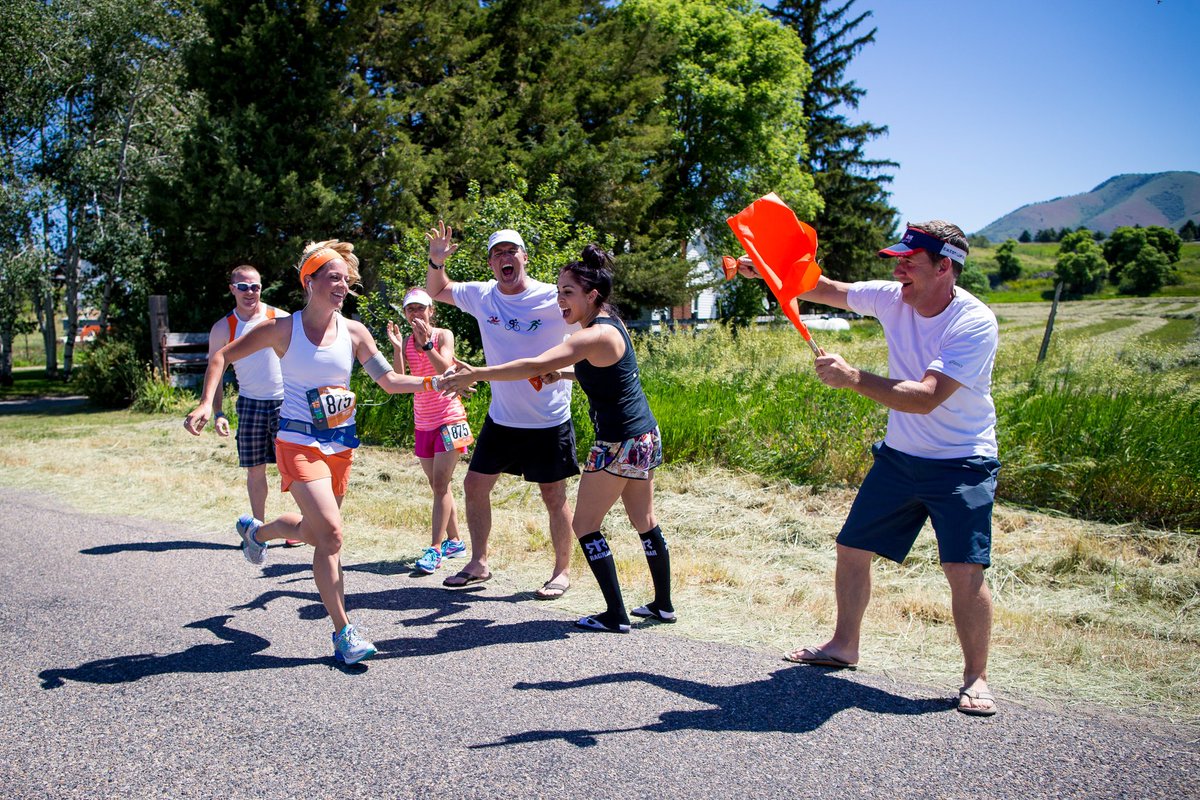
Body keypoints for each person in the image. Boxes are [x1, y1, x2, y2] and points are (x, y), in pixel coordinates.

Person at [737, 220, 1001, 716]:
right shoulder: (891, 297)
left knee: (963, 570)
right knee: (852, 547)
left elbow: (924, 399)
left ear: (944, 267)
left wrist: (853, 377)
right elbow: (822, 288)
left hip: (962, 462)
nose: (898, 268)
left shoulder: (973, 322)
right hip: (901, 458)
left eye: (910, 261)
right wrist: (770, 272)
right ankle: (844, 645)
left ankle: (976, 678)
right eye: (897, 259)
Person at [185, 240, 437, 665]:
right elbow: (222, 357)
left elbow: (390, 381)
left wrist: (433, 383)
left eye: (346, 278)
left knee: (319, 534)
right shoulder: (283, 328)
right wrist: (208, 402)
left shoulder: (355, 332)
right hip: (298, 443)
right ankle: (344, 632)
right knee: (334, 535)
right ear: (311, 281)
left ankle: (258, 532)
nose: (342, 285)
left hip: (340, 446)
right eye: (333, 277)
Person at [441, 244, 672, 633]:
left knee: (585, 526)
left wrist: (475, 373)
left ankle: (615, 615)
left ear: (591, 296)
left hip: (618, 445)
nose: (559, 299)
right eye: (559, 290)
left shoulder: (589, 336)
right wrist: (563, 377)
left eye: (568, 292)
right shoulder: (611, 325)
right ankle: (663, 605)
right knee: (643, 520)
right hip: (644, 437)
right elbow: (602, 376)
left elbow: (533, 363)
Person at [425, 221, 579, 598]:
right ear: (491, 265)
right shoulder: (483, 296)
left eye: (512, 251)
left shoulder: (553, 298)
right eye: (497, 254)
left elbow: (591, 345)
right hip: (503, 418)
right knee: (474, 486)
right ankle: (478, 563)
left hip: (548, 419)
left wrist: (563, 372)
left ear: (525, 258)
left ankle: (561, 572)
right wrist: (436, 261)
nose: (505, 258)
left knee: (553, 497)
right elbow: (439, 290)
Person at [203, 265, 301, 546]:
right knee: (255, 469)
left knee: (295, 468)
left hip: (286, 402)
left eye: (255, 287)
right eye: (243, 287)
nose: (250, 292)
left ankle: (298, 529)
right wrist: (218, 411)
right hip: (249, 404)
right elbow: (216, 371)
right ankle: (258, 532)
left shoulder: (279, 318)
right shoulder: (224, 328)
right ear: (232, 288)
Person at [385, 288, 469, 575]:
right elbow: (398, 380)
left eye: (421, 308)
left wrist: (426, 346)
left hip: (450, 417)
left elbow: (447, 370)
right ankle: (455, 541)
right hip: (423, 420)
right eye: (410, 309)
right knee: (438, 486)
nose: (415, 313)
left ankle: (435, 549)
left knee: (441, 484)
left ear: (432, 310)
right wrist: (398, 347)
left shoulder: (443, 335)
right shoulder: (408, 340)